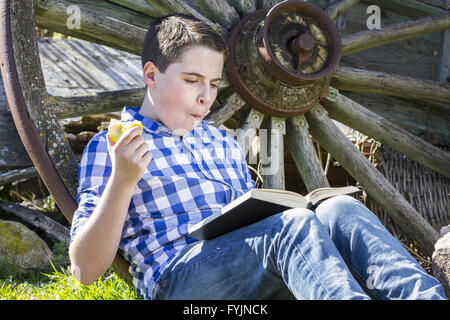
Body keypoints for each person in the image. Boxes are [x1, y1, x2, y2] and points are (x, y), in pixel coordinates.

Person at [68, 13, 447, 300]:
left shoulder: (222, 143)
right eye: (191, 80)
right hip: (179, 279)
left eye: (214, 84)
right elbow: (84, 270)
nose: (206, 97)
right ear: (151, 74)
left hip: (247, 265)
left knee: (339, 211)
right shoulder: (114, 146)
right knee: (292, 226)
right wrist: (122, 180)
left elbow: (253, 225)